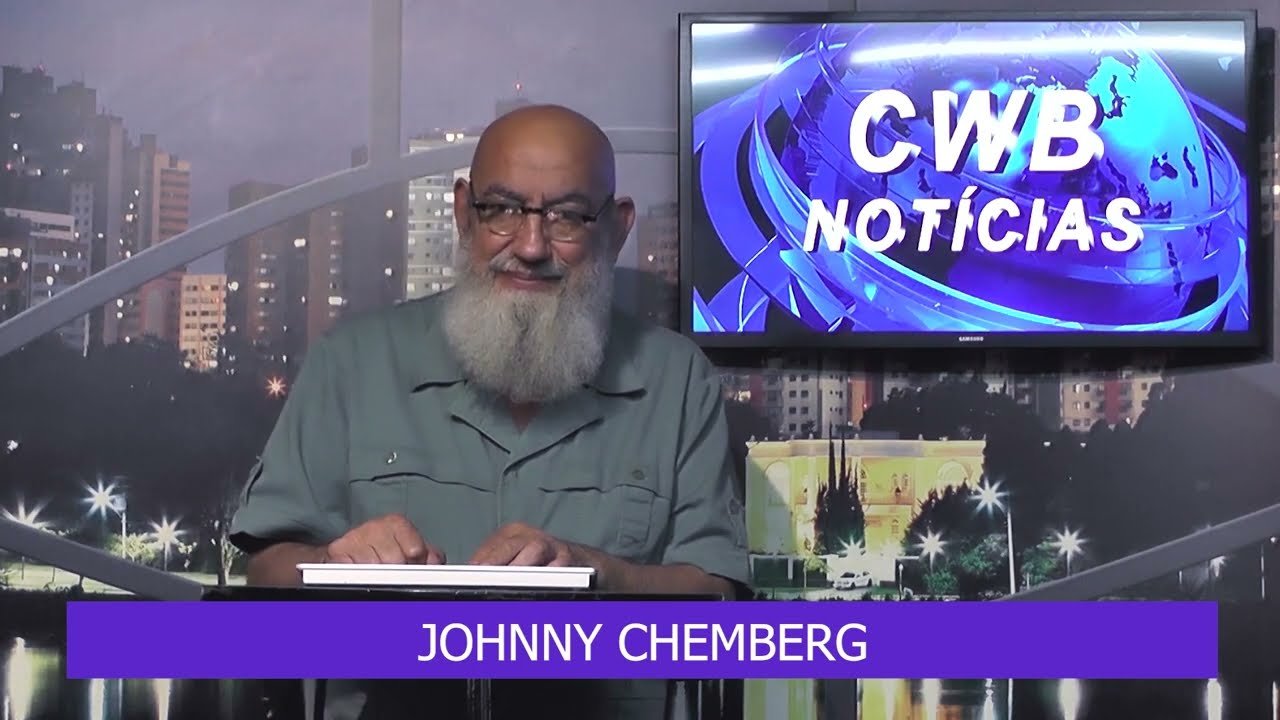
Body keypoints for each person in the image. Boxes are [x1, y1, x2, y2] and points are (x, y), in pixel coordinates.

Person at [229, 104, 749, 718]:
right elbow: (265, 572)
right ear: (462, 214)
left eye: (567, 216)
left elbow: (719, 597)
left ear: (617, 228)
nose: (530, 246)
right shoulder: (350, 362)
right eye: (502, 208)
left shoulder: (677, 379)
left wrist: (597, 574)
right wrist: (332, 564)